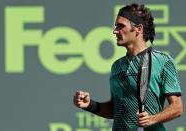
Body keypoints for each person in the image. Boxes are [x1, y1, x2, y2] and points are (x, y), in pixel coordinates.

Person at [73, 3, 183, 131]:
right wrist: (90, 105)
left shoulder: (163, 61)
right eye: (115, 26)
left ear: (138, 29)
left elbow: (177, 107)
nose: (115, 31)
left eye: (120, 26)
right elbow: (115, 109)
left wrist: (152, 119)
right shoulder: (117, 66)